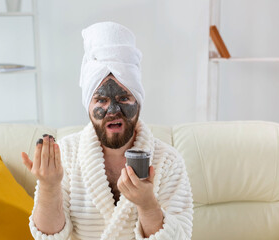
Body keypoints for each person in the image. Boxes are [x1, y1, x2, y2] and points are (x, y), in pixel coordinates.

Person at [21, 22, 193, 240]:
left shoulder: (167, 161)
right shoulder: (65, 154)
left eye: (123, 98)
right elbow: (49, 237)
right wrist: (49, 186)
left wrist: (148, 205)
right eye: (101, 99)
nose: (113, 110)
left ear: (138, 102)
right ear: (88, 105)